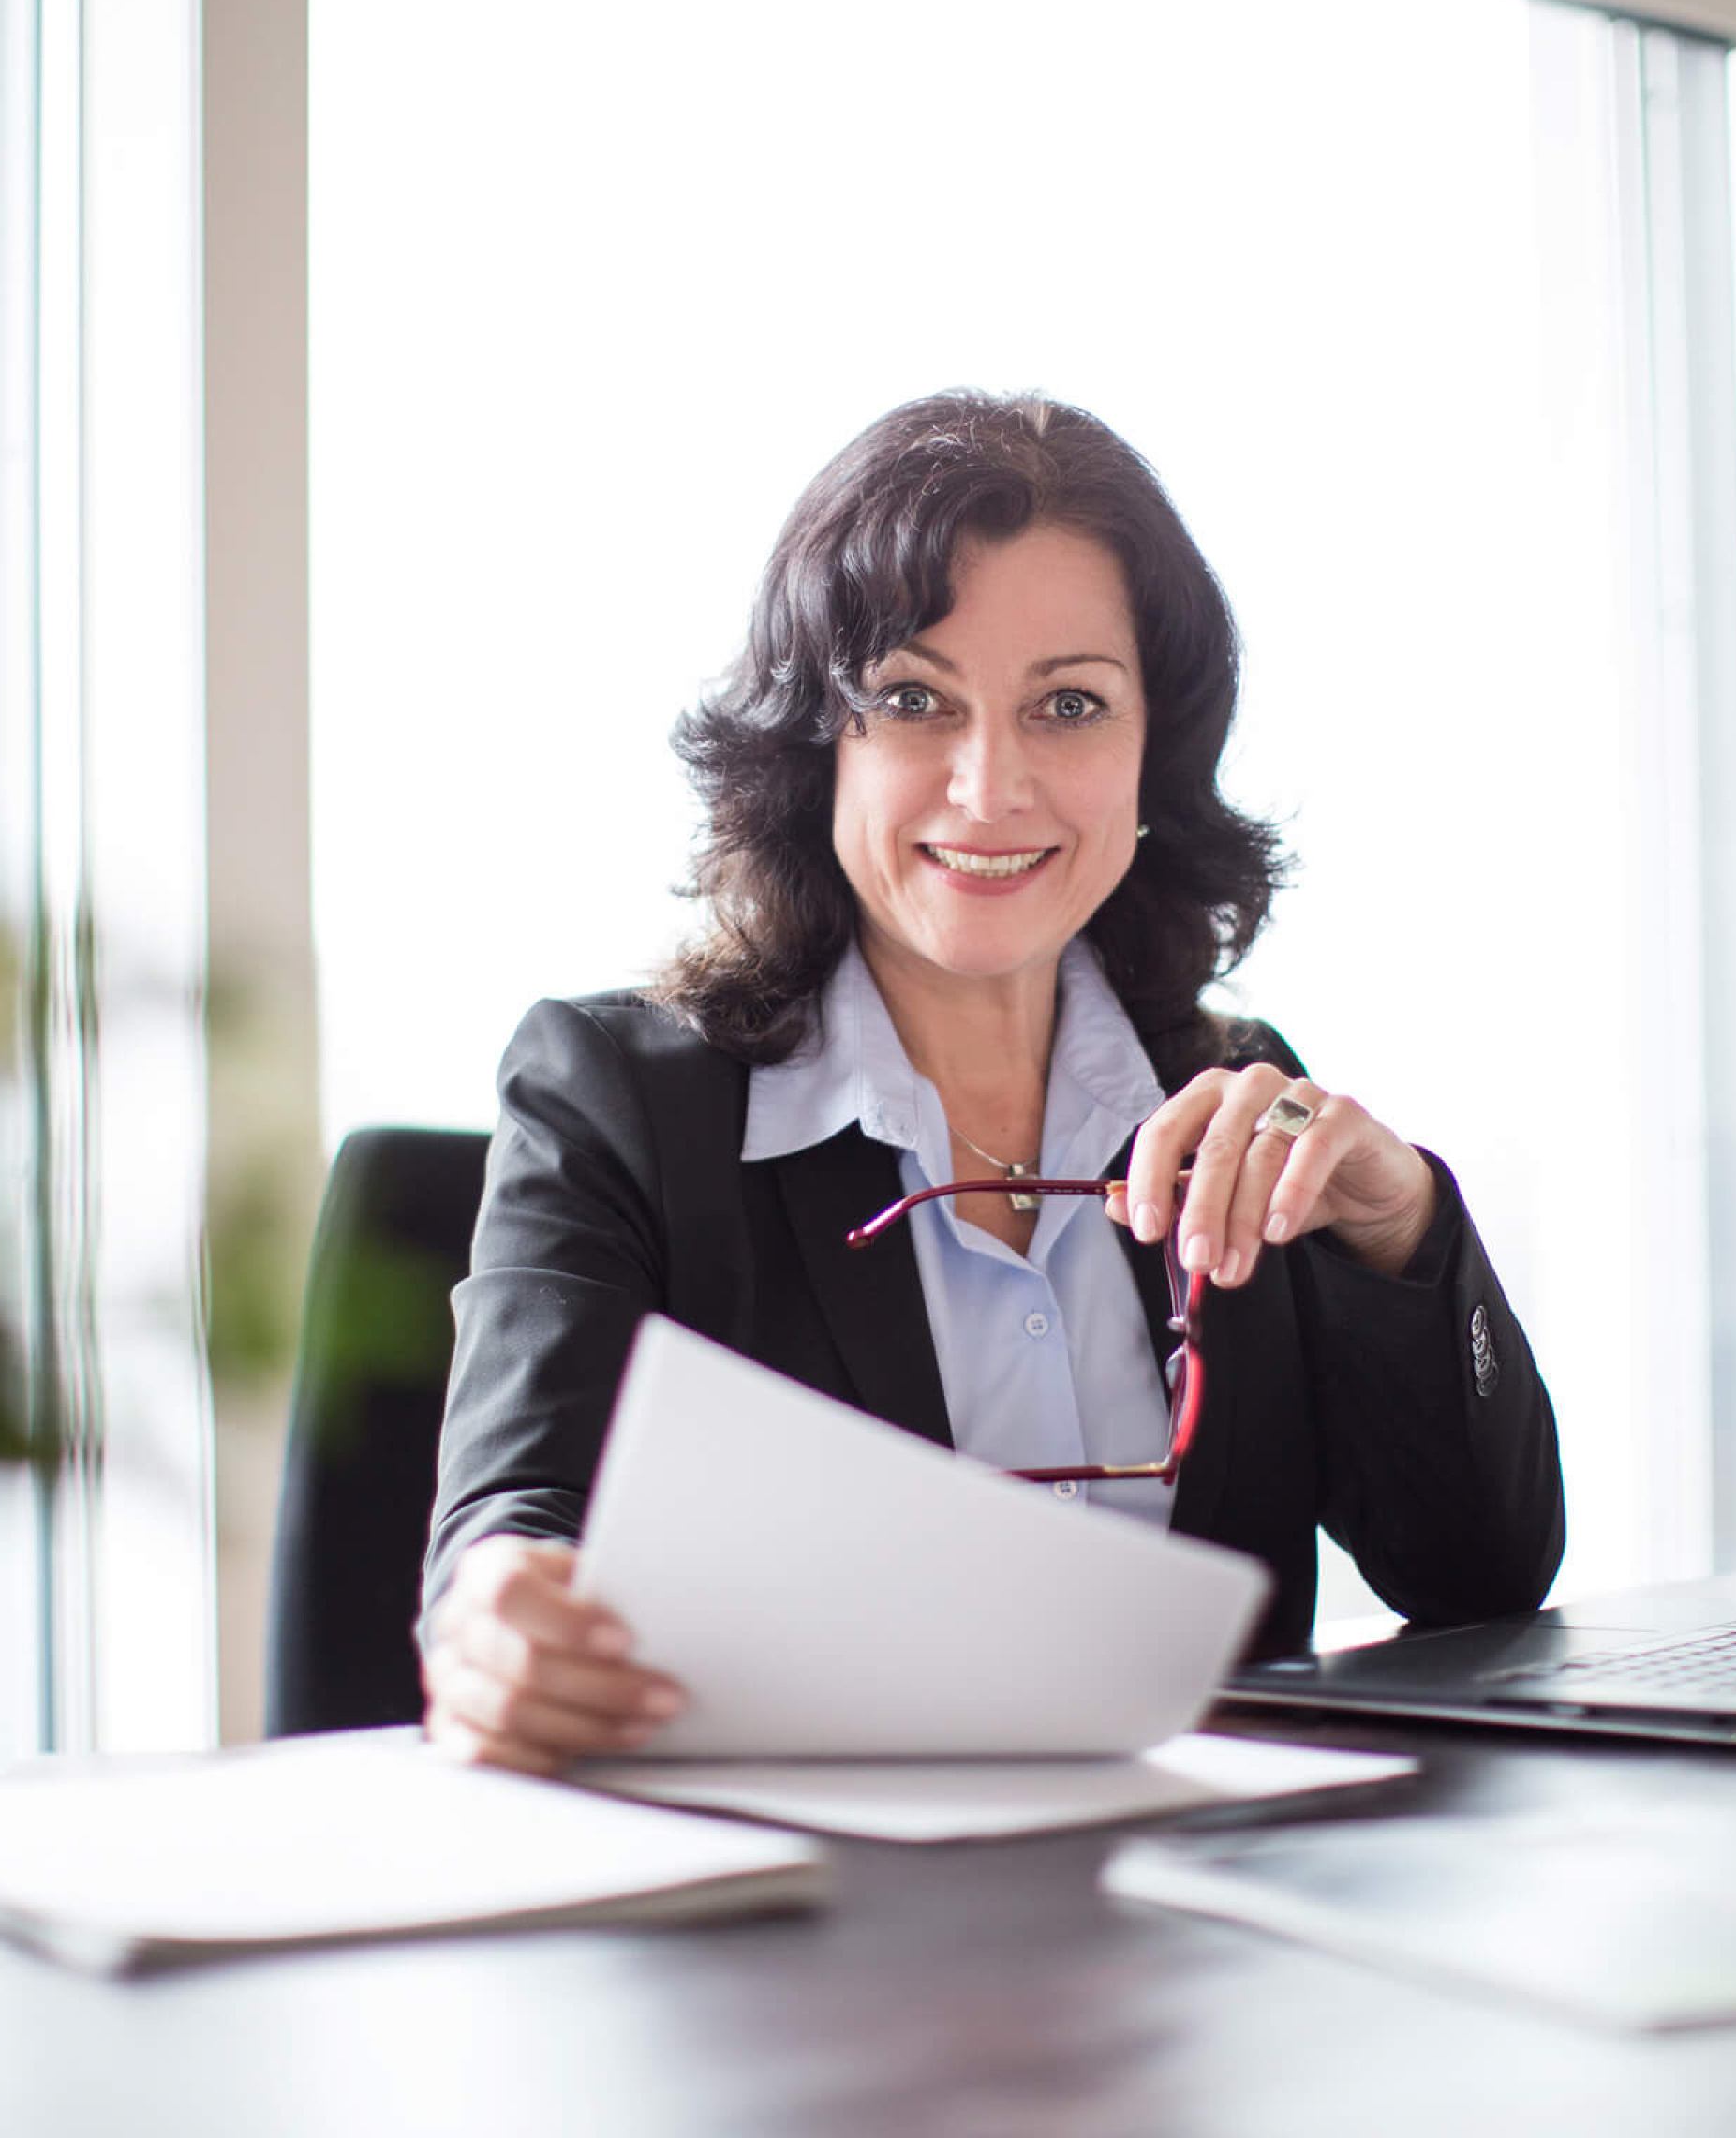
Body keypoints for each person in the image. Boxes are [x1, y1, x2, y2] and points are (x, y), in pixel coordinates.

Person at [419, 390, 1564, 1774]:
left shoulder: (1237, 1104)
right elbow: (514, 1514)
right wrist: (497, 1610)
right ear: (816, 744)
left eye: (1068, 705)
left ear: (1156, 758)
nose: (989, 785)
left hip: (1206, 1931)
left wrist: (1402, 1232)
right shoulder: (615, 1100)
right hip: (813, 1935)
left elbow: (1481, 1580)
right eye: (914, 700)